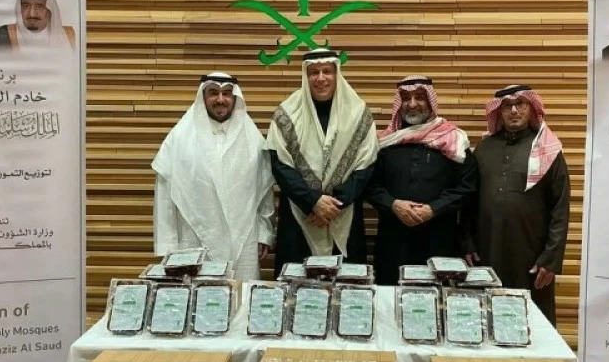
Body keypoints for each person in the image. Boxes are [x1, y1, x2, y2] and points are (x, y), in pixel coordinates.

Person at [463, 85, 570, 326]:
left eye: (520, 104)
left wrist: (551, 258)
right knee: (486, 319)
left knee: (532, 322)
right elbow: (469, 200)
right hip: (487, 248)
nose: (514, 110)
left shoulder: (547, 150)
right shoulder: (484, 148)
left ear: (531, 108)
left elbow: (560, 208)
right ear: (498, 112)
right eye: (507, 106)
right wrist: (466, 242)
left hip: (530, 254)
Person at [151, 72, 274, 281]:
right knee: (199, 297)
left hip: (244, 239)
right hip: (194, 239)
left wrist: (264, 234)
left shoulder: (251, 138)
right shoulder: (180, 138)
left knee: (241, 296)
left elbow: (264, 192)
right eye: (213, 93)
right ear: (203, 96)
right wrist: (168, 246)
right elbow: (164, 197)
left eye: (227, 93)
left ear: (235, 97)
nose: (220, 99)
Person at [266, 48, 378, 273]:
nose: (321, 78)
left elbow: (366, 165)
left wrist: (334, 205)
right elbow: (280, 164)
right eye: (314, 72)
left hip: (344, 213)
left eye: (327, 71)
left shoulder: (358, 113)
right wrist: (313, 202)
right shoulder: (287, 113)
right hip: (300, 214)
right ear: (305, 76)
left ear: (337, 74)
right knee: (296, 284)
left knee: (347, 286)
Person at [365, 75, 477, 284]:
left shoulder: (454, 139)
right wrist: (393, 204)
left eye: (419, 97)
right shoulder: (385, 142)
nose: (412, 104)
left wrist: (433, 209)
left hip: (440, 241)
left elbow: (467, 187)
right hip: (393, 242)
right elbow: (370, 185)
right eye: (406, 99)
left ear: (431, 102)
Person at [0, 0, 75, 51]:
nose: (32, 14)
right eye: (26, 6)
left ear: (50, 11)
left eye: (40, 7)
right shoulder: (3, 34)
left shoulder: (69, 35)